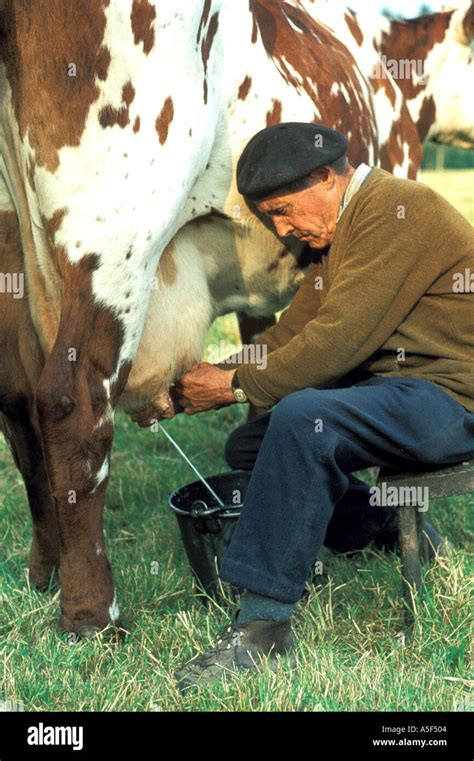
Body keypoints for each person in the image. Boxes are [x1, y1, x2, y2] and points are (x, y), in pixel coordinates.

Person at [168, 123, 474, 690]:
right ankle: (381, 521)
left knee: (300, 419)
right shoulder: (338, 238)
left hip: (452, 398)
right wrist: (188, 388)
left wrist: (233, 386)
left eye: (283, 211)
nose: (283, 229)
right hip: (402, 390)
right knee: (253, 441)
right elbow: (291, 336)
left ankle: (262, 627)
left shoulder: (398, 211)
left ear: (324, 177)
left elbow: (333, 346)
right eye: (270, 218)